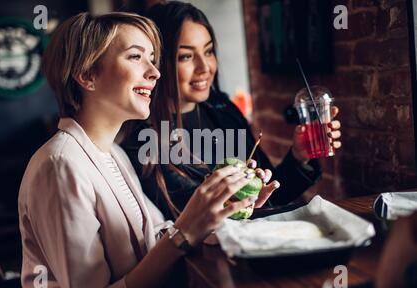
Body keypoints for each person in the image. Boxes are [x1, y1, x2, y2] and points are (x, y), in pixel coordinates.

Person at [17, 11, 277, 288]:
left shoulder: (113, 153)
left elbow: (155, 238)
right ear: (87, 75)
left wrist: (222, 210)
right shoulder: (60, 166)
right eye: (135, 57)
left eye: (152, 58)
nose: (155, 72)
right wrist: (184, 233)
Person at [121, 1, 342, 221]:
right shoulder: (144, 141)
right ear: (157, 62)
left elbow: (272, 197)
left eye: (208, 51)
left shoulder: (223, 110)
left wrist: (298, 157)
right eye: (186, 56)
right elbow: (195, 224)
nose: (205, 67)